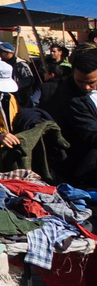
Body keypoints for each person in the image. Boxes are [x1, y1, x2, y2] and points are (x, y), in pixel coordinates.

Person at [43, 47, 97, 186]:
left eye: (92, 82)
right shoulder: (69, 98)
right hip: (82, 167)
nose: (86, 87)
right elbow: (91, 134)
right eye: (81, 82)